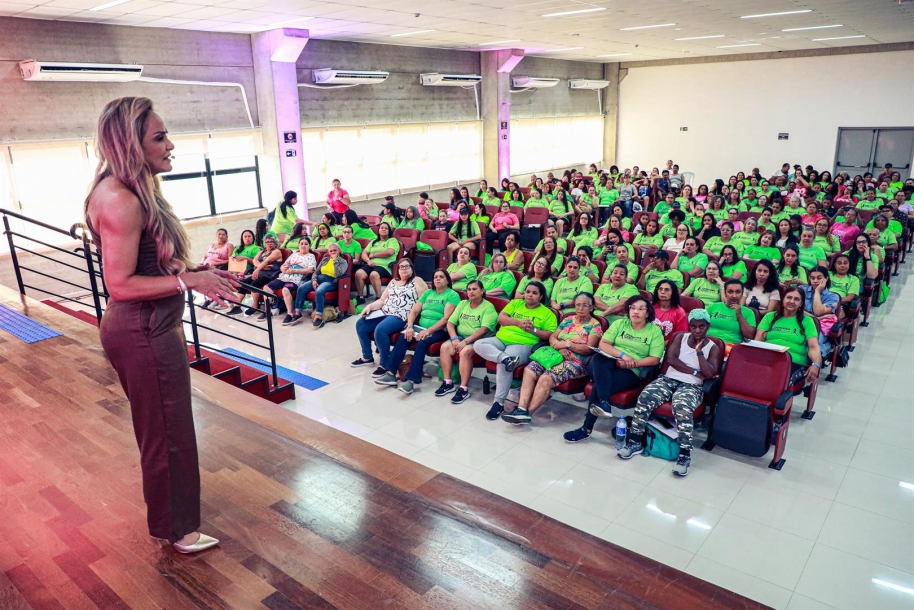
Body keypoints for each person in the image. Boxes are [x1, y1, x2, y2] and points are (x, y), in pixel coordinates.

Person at [85, 96, 237, 553]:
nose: (171, 145)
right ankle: (178, 531)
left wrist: (198, 274)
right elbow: (121, 284)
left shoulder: (136, 190)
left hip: (151, 329)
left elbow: (150, 264)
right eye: (159, 136)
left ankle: (172, 520)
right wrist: (188, 279)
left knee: (169, 429)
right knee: (168, 433)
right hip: (142, 332)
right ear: (130, 142)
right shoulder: (119, 199)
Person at [618, 309, 722, 477]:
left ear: (708, 326)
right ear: (689, 326)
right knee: (645, 396)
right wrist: (695, 372)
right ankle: (634, 442)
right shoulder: (680, 337)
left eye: (701, 327)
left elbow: (709, 374)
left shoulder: (713, 348)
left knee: (682, 406)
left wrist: (699, 352)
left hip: (692, 386)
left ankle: (684, 455)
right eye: (694, 326)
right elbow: (672, 360)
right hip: (668, 379)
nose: (697, 330)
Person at [564, 295, 665, 440]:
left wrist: (632, 363)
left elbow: (655, 359)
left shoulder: (654, 331)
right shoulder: (619, 324)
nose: (636, 312)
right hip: (609, 362)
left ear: (648, 313)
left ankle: (587, 427)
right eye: (633, 308)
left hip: (632, 371)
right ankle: (603, 404)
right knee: (599, 357)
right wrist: (623, 355)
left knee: (599, 386)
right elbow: (603, 344)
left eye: (641, 309)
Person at [502, 293, 604, 424]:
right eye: (578, 304)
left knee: (546, 377)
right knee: (530, 370)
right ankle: (521, 408)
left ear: (592, 307)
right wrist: (560, 347)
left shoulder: (595, 326)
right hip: (555, 355)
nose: (580, 308)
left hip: (576, 362)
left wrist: (568, 345)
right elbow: (552, 337)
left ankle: (528, 413)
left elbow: (589, 348)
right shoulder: (568, 320)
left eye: (585, 305)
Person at [466, 282, 557, 420]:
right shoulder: (515, 304)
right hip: (501, 339)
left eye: (534, 293)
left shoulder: (547, 313)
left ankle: (498, 402)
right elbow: (501, 318)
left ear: (541, 296)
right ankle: (505, 358)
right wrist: (518, 323)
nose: (530, 295)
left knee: (503, 364)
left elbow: (550, 335)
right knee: (478, 344)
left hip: (523, 344)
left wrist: (533, 330)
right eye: (528, 292)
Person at [376, 269, 461, 394]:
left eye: (441, 277)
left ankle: (411, 381)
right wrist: (410, 327)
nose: (437, 279)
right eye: (435, 277)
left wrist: (428, 331)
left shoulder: (452, 295)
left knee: (421, 343)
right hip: (420, 327)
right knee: (404, 337)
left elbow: (446, 319)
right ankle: (391, 373)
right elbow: (414, 311)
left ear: (447, 280)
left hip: (439, 330)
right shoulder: (427, 293)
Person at [352, 258, 419, 375]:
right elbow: (382, 300)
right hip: (384, 311)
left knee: (380, 330)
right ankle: (367, 357)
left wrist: (412, 320)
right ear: (397, 270)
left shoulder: (417, 281)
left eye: (406, 266)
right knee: (361, 324)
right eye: (401, 267)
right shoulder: (393, 281)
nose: (403, 269)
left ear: (412, 268)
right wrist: (370, 307)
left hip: (401, 315)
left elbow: (421, 303)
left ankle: (384, 363)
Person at [436, 280, 499, 402]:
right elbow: (450, 323)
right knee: (445, 347)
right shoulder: (463, 304)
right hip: (460, 336)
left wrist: (465, 342)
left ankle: (463, 389)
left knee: (465, 352)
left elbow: (484, 330)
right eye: (468, 289)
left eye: (474, 289)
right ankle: (448, 383)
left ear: (482, 291)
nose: (471, 292)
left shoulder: (488, 307)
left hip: (479, 340)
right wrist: (454, 339)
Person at [755, 288, 823, 387]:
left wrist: (816, 364)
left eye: (796, 299)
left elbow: (813, 347)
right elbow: (758, 341)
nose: (791, 301)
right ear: (783, 300)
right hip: (767, 358)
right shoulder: (769, 316)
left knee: (773, 381)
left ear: (801, 303)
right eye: (789, 297)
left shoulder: (807, 321)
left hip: (792, 361)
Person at [228, 233, 282, 318]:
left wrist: (258, 269)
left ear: (275, 243)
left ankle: (255, 306)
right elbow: (255, 261)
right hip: (261, 273)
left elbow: (266, 261)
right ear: (264, 243)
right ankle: (237, 306)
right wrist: (260, 267)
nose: (269, 243)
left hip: (271, 275)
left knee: (254, 285)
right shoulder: (261, 252)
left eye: (271, 242)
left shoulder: (277, 252)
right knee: (243, 284)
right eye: (267, 242)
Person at [267, 237, 316, 326]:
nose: (303, 246)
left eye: (306, 244)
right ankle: (270, 309)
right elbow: (283, 265)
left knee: (285, 290)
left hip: (297, 279)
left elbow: (310, 270)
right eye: (301, 244)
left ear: (309, 246)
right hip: (284, 276)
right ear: (299, 245)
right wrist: (283, 269)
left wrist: (294, 271)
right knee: (267, 288)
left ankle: (290, 313)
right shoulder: (294, 254)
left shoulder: (311, 256)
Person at [300, 241, 348, 328]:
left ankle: (318, 316)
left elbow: (339, 274)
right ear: (328, 252)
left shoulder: (343, 261)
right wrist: (314, 279)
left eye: (335, 250)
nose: (333, 252)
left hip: (332, 282)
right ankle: (297, 312)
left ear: (339, 251)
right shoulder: (325, 259)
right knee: (302, 288)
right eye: (331, 251)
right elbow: (316, 271)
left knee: (319, 290)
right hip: (320, 279)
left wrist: (335, 261)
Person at [799, 266, 841, 357]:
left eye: (819, 278)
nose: (815, 281)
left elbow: (818, 311)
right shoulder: (802, 290)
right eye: (812, 278)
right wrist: (816, 318)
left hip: (818, 326)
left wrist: (817, 292)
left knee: (813, 344)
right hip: (799, 321)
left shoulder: (833, 297)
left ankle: (824, 351)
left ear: (826, 279)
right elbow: (796, 309)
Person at [353, 221, 399, 302]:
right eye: (382, 228)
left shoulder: (392, 240)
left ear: (389, 231)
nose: (383, 230)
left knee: (374, 274)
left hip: (385, 266)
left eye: (386, 228)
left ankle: (379, 298)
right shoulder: (374, 241)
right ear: (378, 230)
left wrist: (374, 255)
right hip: (371, 264)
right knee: (359, 273)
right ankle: (360, 297)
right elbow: (364, 253)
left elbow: (389, 252)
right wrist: (368, 260)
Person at [706, 279, 757, 349]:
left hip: (731, 347)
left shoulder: (748, 312)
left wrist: (739, 315)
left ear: (742, 294)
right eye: (730, 292)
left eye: (738, 292)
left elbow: (750, 336)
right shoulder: (713, 307)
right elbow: (700, 326)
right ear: (725, 293)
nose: (734, 295)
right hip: (707, 343)